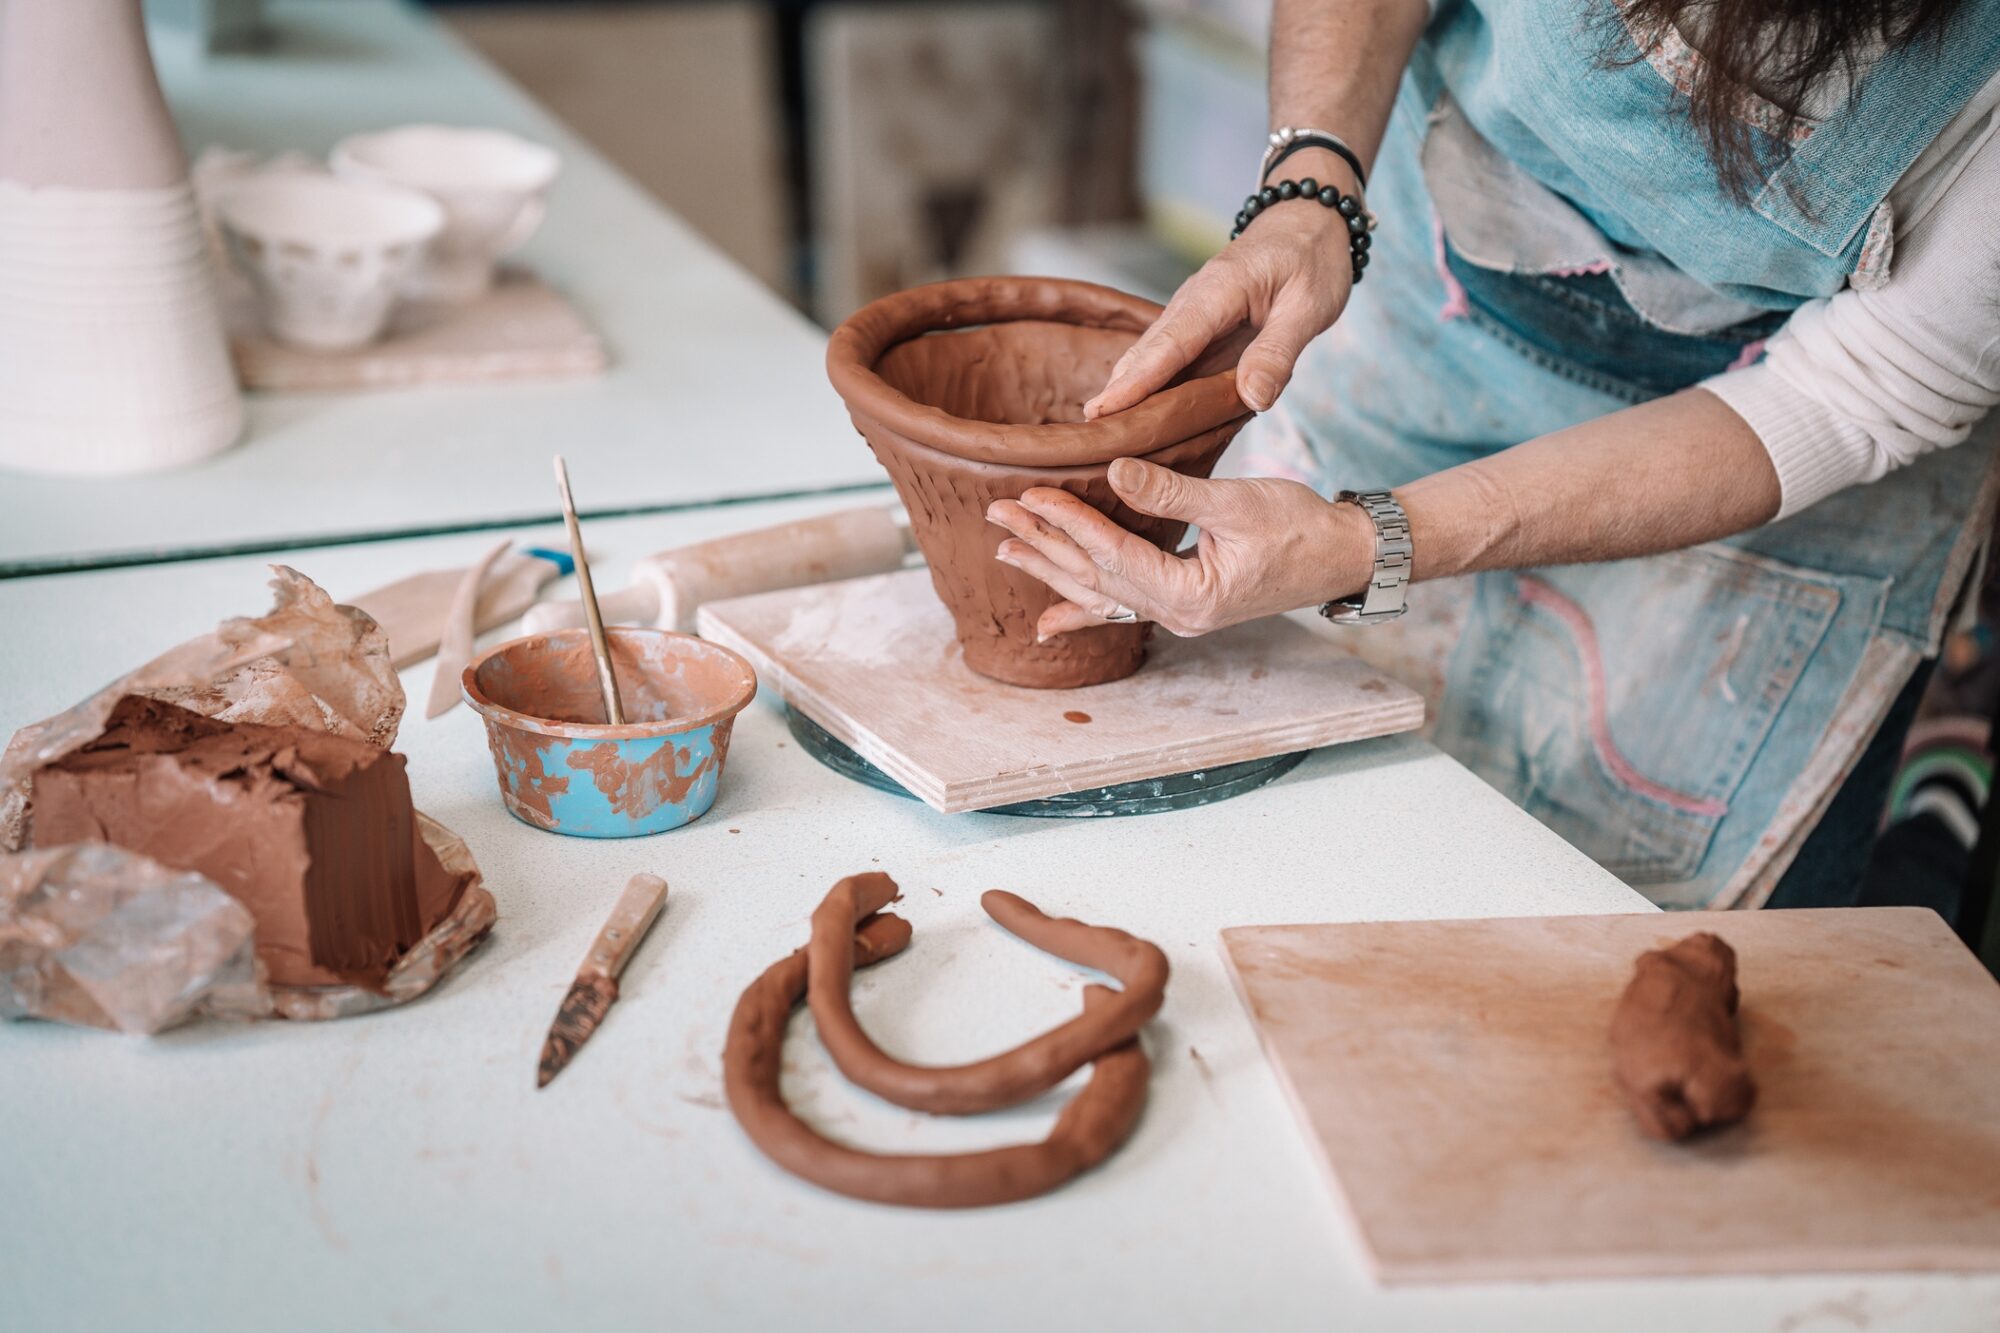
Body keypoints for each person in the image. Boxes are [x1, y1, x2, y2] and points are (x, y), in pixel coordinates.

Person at [986, 0, 2000, 910]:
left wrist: (1361, 542)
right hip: (1423, 304)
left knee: (1575, 960)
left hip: (1771, 483)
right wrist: (1311, 184)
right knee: (1283, 858)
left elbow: (1849, 393)